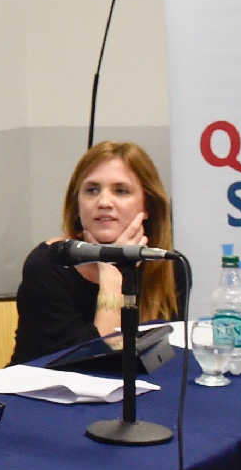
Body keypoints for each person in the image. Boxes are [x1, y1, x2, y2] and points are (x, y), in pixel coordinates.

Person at [10, 141, 178, 365]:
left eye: (121, 191)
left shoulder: (168, 264)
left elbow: (167, 356)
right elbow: (84, 365)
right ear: (77, 205)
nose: (104, 202)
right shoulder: (48, 265)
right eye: (92, 190)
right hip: (47, 384)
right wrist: (112, 278)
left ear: (148, 206)